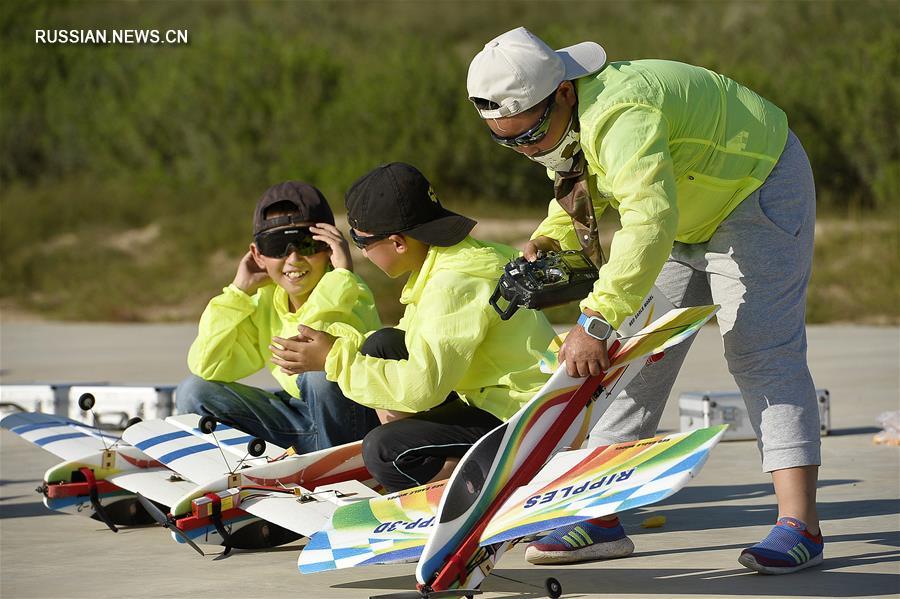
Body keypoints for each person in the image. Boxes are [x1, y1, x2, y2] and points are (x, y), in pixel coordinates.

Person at [466, 27, 823, 575]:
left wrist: (598, 317)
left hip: (756, 184)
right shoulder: (555, 119)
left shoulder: (620, 113)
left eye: (529, 136)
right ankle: (600, 514)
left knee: (758, 347)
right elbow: (582, 183)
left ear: (562, 91)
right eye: (506, 141)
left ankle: (800, 525)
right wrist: (552, 236)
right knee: (634, 356)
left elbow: (648, 221)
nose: (524, 150)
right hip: (687, 205)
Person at [279, 162, 556, 493]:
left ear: (397, 242)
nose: (362, 252)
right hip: (493, 396)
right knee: (381, 345)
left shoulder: (453, 284)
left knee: (382, 451)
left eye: (361, 240)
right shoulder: (449, 258)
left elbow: (423, 388)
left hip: (525, 416)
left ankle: (452, 498)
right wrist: (336, 347)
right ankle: (442, 463)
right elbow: (411, 345)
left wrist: (333, 360)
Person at [176, 181, 382, 453]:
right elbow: (206, 365)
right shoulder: (265, 300)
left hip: (355, 425)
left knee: (320, 373)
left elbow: (310, 337)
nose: (293, 258)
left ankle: (336, 470)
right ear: (257, 255)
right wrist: (237, 293)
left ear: (330, 249)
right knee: (193, 391)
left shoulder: (349, 291)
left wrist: (342, 273)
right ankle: (253, 469)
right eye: (277, 245)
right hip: (301, 418)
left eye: (307, 244)